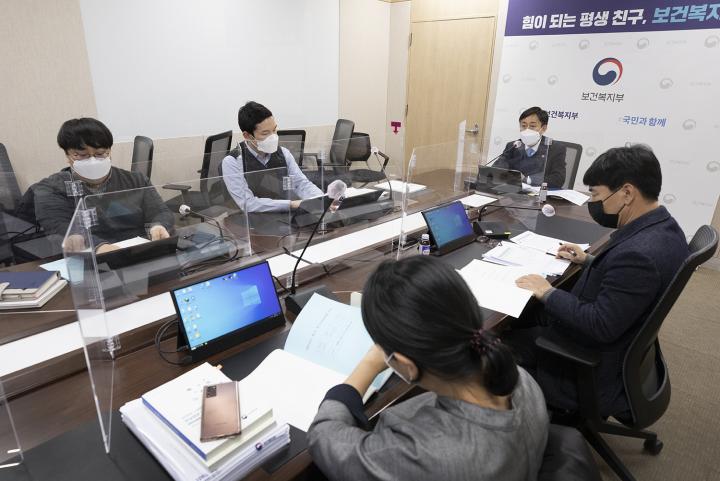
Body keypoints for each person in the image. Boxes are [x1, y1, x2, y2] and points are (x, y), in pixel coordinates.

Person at [308, 256, 549, 481]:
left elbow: (324, 436)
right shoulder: (518, 377)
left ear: (407, 366)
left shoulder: (423, 453)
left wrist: (369, 364)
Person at [508, 145, 689, 417]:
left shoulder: (639, 255)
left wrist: (547, 292)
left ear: (627, 193)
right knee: (528, 316)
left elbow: (600, 324)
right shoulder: (666, 229)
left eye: (596, 194)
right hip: (620, 347)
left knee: (493, 346)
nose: (593, 202)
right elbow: (627, 282)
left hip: (584, 369)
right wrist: (589, 260)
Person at [34, 118, 173, 253]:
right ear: (67, 155)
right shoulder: (51, 189)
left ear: (109, 151)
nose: (92, 160)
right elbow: (60, 229)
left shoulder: (136, 180)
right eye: (82, 155)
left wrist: (158, 226)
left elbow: (161, 212)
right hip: (88, 259)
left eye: (100, 153)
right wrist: (98, 246)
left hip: (138, 253)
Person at [222, 101, 323, 212]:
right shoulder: (233, 162)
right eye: (265, 133)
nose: (273, 137)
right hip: (249, 219)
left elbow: (300, 184)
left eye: (274, 130)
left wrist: (321, 199)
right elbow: (248, 203)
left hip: (284, 216)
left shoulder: (283, 153)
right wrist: (290, 204)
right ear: (247, 136)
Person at [494, 106, 567, 188]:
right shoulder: (513, 146)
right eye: (523, 125)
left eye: (532, 126)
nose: (527, 130)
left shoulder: (556, 148)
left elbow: (558, 179)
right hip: (513, 191)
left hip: (539, 193)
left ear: (543, 128)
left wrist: (528, 180)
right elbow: (496, 169)